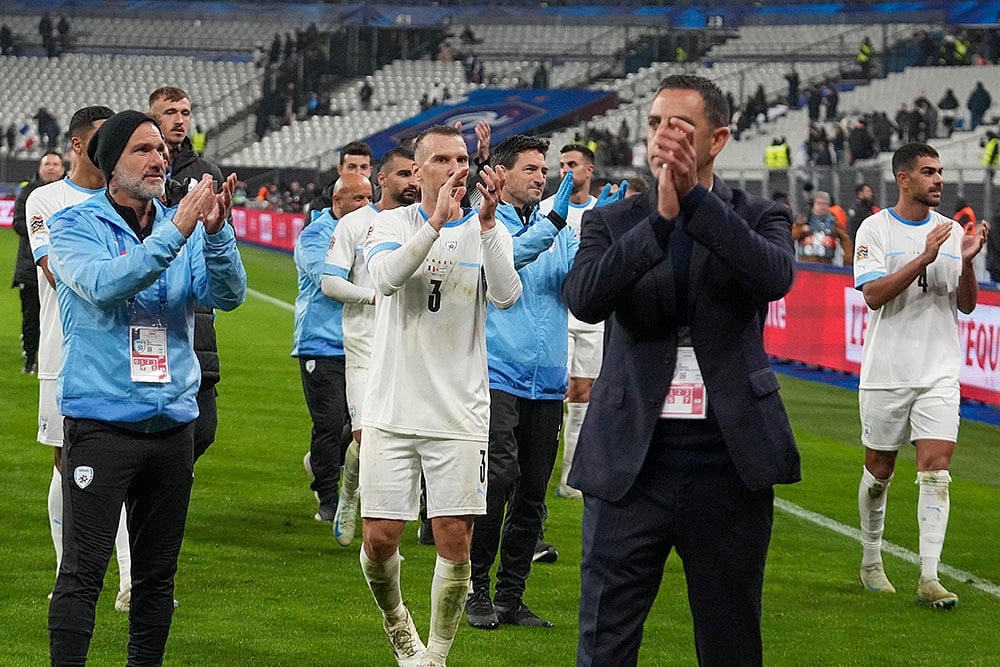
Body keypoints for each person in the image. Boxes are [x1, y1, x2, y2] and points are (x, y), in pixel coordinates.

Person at [562, 74, 800, 666]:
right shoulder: (613, 221)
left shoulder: (762, 214)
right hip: (630, 464)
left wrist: (694, 202)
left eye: (680, 125)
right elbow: (585, 298)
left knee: (730, 642)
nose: (662, 137)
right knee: (605, 643)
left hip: (729, 462)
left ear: (717, 138)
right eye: (654, 123)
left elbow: (773, 277)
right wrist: (660, 222)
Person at [46, 110, 246, 664]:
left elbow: (227, 295)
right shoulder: (72, 226)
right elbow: (107, 285)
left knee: (158, 577)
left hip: (171, 427)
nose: (160, 158)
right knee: (84, 572)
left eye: (161, 149)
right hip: (104, 425)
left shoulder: (179, 222)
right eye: (142, 149)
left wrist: (217, 232)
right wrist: (178, 229)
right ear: (110, 163)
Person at [358, 125, 521, 667]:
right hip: (392, 405)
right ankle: (396, 622)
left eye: (461, 158)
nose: (456, 167)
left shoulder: (486, 226)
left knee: (456, 540)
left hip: (459, 411)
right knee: (380, 540)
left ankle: (436, 655)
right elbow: (384, 277)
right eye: (442, 159)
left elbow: (506, 293)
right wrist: (434, 223)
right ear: (420, 168)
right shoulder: (390, 223)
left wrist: (491, 222)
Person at [853, 142, 987, 608]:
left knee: (936, 471)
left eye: (941, 171)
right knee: (879, 471)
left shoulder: (952, 233)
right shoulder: (876, 228)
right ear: (904, 179)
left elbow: (966, 303)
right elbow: (873, 295)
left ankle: (929, 578)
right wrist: (922, 258)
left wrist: (966, 262)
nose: (939, 180)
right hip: (887, 371)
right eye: (929, 172)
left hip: (939, 371)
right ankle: (871, 560)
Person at [25, 109, 138, 615]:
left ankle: (133, 578)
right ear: (78, 144)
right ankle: (64, 569)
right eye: (101, 140)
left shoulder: (129, 199)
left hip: (129, 351)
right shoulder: (48, 200)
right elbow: (57, 271)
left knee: (133, 462)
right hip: (64, 350)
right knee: (66, 461)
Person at [467, 135, 580, 631]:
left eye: (544, 170)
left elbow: (583, 280)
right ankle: (476, 591)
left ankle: (511, 598)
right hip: (499, 375)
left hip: (549, 380)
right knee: (497, 482)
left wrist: (604, 236)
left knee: (532, 493)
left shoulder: (563, 228)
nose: (541, 177)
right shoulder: (485, 225)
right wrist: (558, 222)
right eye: (531, 169)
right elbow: (508, 265)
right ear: (503, 174)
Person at [321, 147, 419, 546]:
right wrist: (373, 296)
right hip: (364, 350)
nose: (411, 182)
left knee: (404, 441)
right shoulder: (354, 224)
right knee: (366, 438)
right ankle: (349, 492)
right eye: (402, 175)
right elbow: (330, 282)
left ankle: (389, 527)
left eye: (415, 175)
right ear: (381, 179)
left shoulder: (424, 224)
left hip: (411, 352)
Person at [149, 86, 226, 463]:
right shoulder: (139, 171)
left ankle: (166, 488)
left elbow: (218, 239)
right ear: (153, 117)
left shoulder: (206, 173)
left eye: (185, 112)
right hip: (148, 300)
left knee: (204, 429)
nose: (180, 119)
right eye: (170, 112)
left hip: (194, 305)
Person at [294, 172, 373, 524]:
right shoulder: (315, 234)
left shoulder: (373, 230)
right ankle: (328, 497)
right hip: (321, 343)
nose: (365, 206)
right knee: (328, 423)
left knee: (359, 424)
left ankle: (322, 461)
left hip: (361, 341)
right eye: (357, 199)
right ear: (336, 202)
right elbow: (328, 279)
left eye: (369, 198)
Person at [539, 144, 598, 501]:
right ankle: (538, 472)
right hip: (556, 310)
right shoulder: (546, 209)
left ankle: (570, 479)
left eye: (572, 164)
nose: (566, 170)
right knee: (554, 391)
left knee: (583, 392)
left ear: (589, 170)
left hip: (591, 315)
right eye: (561, 165)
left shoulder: (601, 211)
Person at [12, 151, 64, 375]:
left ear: (63, 169)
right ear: (40, 168)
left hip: (62, 266)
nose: (51, 167)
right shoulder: (28, 192)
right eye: (47, 163)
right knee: (31, 317)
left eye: (55, 164)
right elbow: (18, 223)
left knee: (58, 319)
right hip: (30, 267)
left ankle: (56, 361)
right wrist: (44, 234)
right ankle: (31, 358)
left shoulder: (66, 193)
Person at [792, 191, 853, 265]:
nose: (822, 206)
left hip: (826, 264)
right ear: (813, 205)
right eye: (819, 203)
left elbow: (846, 241)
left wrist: (847, 261)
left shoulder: (834, 222)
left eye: (825, 204)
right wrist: (802, 230)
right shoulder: (804, 220)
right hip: (805, 264)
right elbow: (792, 235)